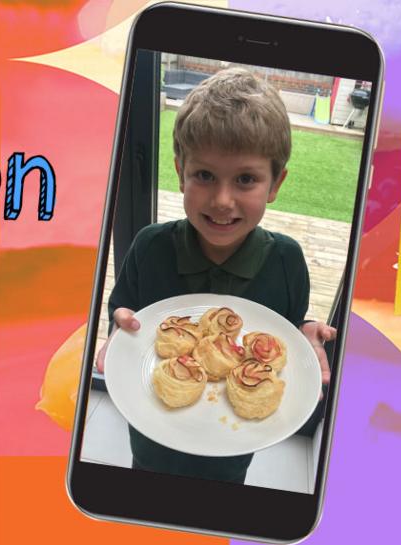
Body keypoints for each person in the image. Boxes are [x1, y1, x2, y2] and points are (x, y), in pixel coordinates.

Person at [96, 67, 336, 484]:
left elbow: (285, 329)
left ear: (275, 184)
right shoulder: (150, 247)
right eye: (205, 175)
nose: (223, 200)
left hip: (233, 454)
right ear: (180, 172)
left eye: (245, 179)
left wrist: (304, 335)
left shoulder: (287, 261)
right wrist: (118, 326)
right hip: (151, 441)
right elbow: (124, 310)